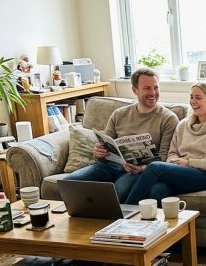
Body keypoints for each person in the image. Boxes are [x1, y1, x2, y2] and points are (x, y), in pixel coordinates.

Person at [64, 68, 179, 202]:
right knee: (69, 182)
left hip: (141, 171)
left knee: (118, 192)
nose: (153, 93)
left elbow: (165, 157)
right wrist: (98, 151)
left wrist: (142, 168)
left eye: (156, 88)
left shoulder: (168, 118)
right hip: (111, 166)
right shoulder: (119, 114)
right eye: (147, 88)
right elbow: (105, 143)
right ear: (135, 90)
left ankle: (111, 222)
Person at [123, 82, 206, 204]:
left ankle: (125, 214)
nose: (193, 101)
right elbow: (172, 153)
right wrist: (175, 162)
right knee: (156, 190)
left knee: (154, 167)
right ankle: (152, 223)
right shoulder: (183, 124)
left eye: (198, 98)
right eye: (191, 97)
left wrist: (189, 163)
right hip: (180, 171)